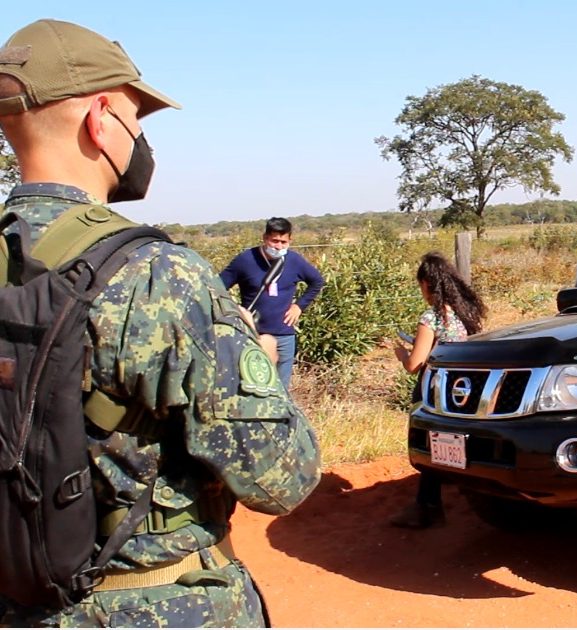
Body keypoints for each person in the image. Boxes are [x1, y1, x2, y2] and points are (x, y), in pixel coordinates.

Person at [0, 19, 320, 626]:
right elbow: (282, 479)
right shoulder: (156, 275)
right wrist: (248, 360)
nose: (141, 141)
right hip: (156, 603)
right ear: (100, 118)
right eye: (135, 120)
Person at [390, 252, 486, 528]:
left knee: (431, 446)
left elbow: (415, 363)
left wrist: (401, 353)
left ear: (427, 284)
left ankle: (426, 507)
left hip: (435, 389)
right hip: (467, 387)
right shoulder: (467, 312)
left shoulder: (431, 317)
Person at [220, 217, 325, 390]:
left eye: (283, 242)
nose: (278, 246)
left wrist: (299, 306)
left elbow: (317, 282)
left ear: (290, 240)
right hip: (253, 335)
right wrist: (237, 311)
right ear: (264, 238)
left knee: (281, 390)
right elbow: (219, 286)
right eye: (274, 241)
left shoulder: (294, 261)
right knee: (253, 386)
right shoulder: (246, 260)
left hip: (284, 335)